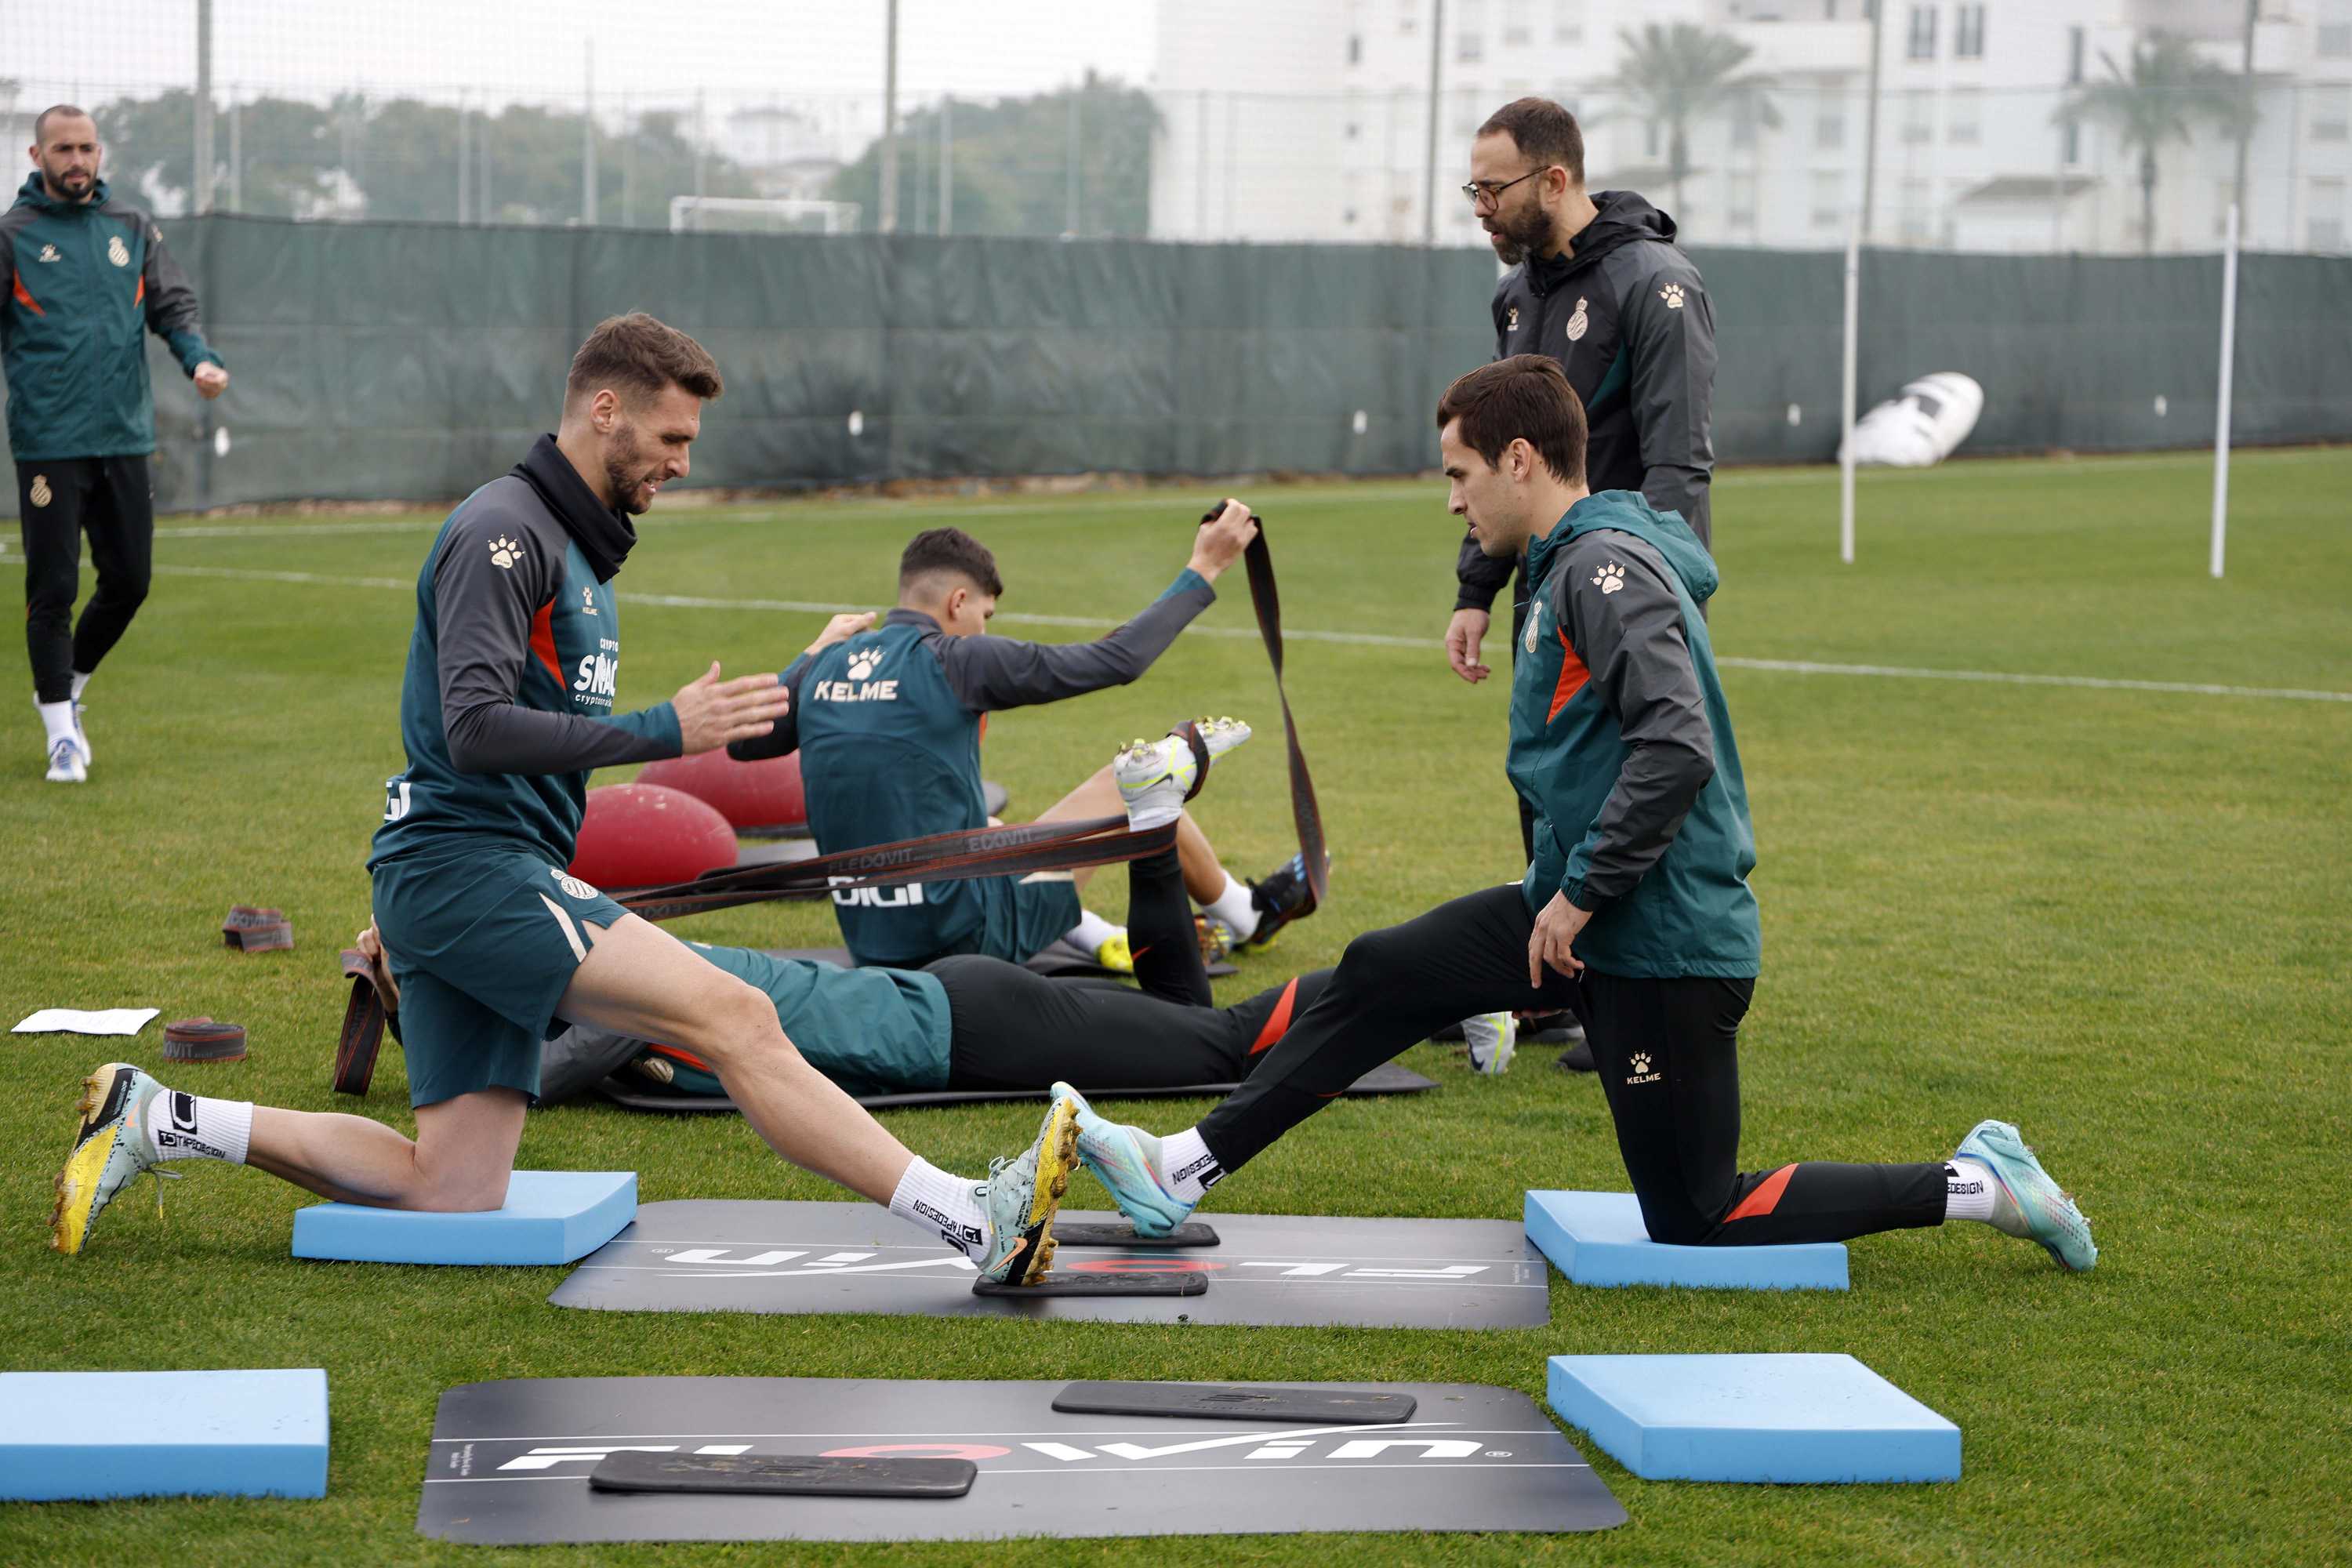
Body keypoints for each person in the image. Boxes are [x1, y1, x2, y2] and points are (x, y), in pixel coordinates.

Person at [52, 314, 1077, 1285]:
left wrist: (760, 690)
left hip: (463, 878)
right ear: (604, 410)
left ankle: (162, 1118)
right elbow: (475, 727)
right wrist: (662, 729)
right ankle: (972, 1218)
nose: (683, 462)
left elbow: (540, 728)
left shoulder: (577, 548)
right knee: (738, 1015)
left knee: (453, 1182)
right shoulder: (503, 533)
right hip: (470, 870)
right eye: (672, 437)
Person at [1058, 356, 2097, 1274]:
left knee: (1697, 1212)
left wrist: (1581, 896)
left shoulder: (1605, 570)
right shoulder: (1567, 562)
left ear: (1519, 460)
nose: (1452, 502)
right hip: (1590, 913)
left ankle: (1982, 1183)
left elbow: (1675, 745)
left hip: (1659, 942)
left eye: (1459, 474)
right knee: (1384, 970)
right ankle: (1180, 1168)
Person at [355, 719, 1334, 1104]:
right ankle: (1152, 822)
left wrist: (425, 986)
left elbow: (537, 1070)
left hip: (968, 1026)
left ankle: (1415, 979)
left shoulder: (620, 999)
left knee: (1222, 1048)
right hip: (958, 1011)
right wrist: (419, 988)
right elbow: (528, 1035)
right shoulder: (612, 962)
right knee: (1189, 1025)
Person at [1447, 95, 1720, 1069]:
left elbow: (1679, 461)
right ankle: (1559, 985)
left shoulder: (1657, 284)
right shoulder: (1515, 297)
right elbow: (1502, 451)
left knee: (1627, 776)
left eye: (1493, 187)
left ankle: (1635, 1000)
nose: (1479, 205)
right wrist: (1476, 588)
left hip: (1625, 585)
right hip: (1544, 582)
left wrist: (1668, 588)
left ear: (1555, 179)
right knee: (1551, 779)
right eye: (1472, 187)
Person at [729, 519, 1316, 972]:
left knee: (984, 823)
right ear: (958, 602)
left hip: (872, 943)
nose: (984, 627)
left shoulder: (827, 664)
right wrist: (1204, 567)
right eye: (984, 614)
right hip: (963, 941)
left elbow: (744, 745)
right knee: (1138, 778)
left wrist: (812, 654)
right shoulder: (958, 659)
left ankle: (1099, 931)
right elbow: (1118, 659)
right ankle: (1246, 914)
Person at [3, 104, 229, 783]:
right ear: (38, 157)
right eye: (63, 149)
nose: (77, 160)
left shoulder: (131, 227)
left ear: (100, 153)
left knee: (130, 581)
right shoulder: (14, 236)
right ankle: (60, 737)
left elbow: (172, 307)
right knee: (54, 586)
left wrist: (199, 359)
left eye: (87, 148)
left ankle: (67, 689)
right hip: (49, 439)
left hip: (125, 435)